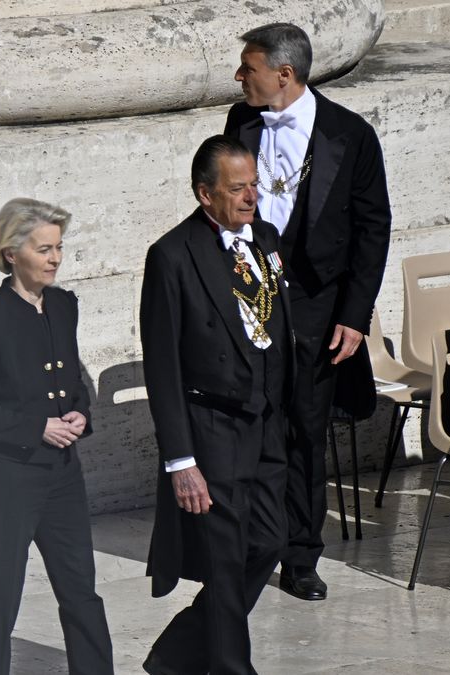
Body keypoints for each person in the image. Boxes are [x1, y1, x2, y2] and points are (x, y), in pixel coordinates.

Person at [224, 22, 392, 601]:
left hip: (320, 307)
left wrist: (355, 315)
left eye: (248, 67)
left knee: (304, 428)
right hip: (252, 293)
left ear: (284, 73)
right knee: (252, 418)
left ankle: (300, 555)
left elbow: (374, 230)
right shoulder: (240, 121)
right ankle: (251, 539)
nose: (239, 77)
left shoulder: (351, 134)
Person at [140, 135, 293, 675]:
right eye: (237, 188)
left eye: (254, 184)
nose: (251, 196)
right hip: (212, 427)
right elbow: (161, 366)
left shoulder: (266, 239)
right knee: (225, 562)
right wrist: (181, 461)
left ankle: (177, 653)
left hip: (267, 422)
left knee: (271, 540)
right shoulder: (172, 256)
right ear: (205, 194)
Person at [0, 198, 114, 675]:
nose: (55, 258)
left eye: (59, 247)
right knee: (1, 596)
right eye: (44, 249)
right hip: (9, 479)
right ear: (11, 253)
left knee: (80, 588)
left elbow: (73, 384)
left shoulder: (64, 306)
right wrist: (37, 428)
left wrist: (80, 414)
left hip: (63, 477)